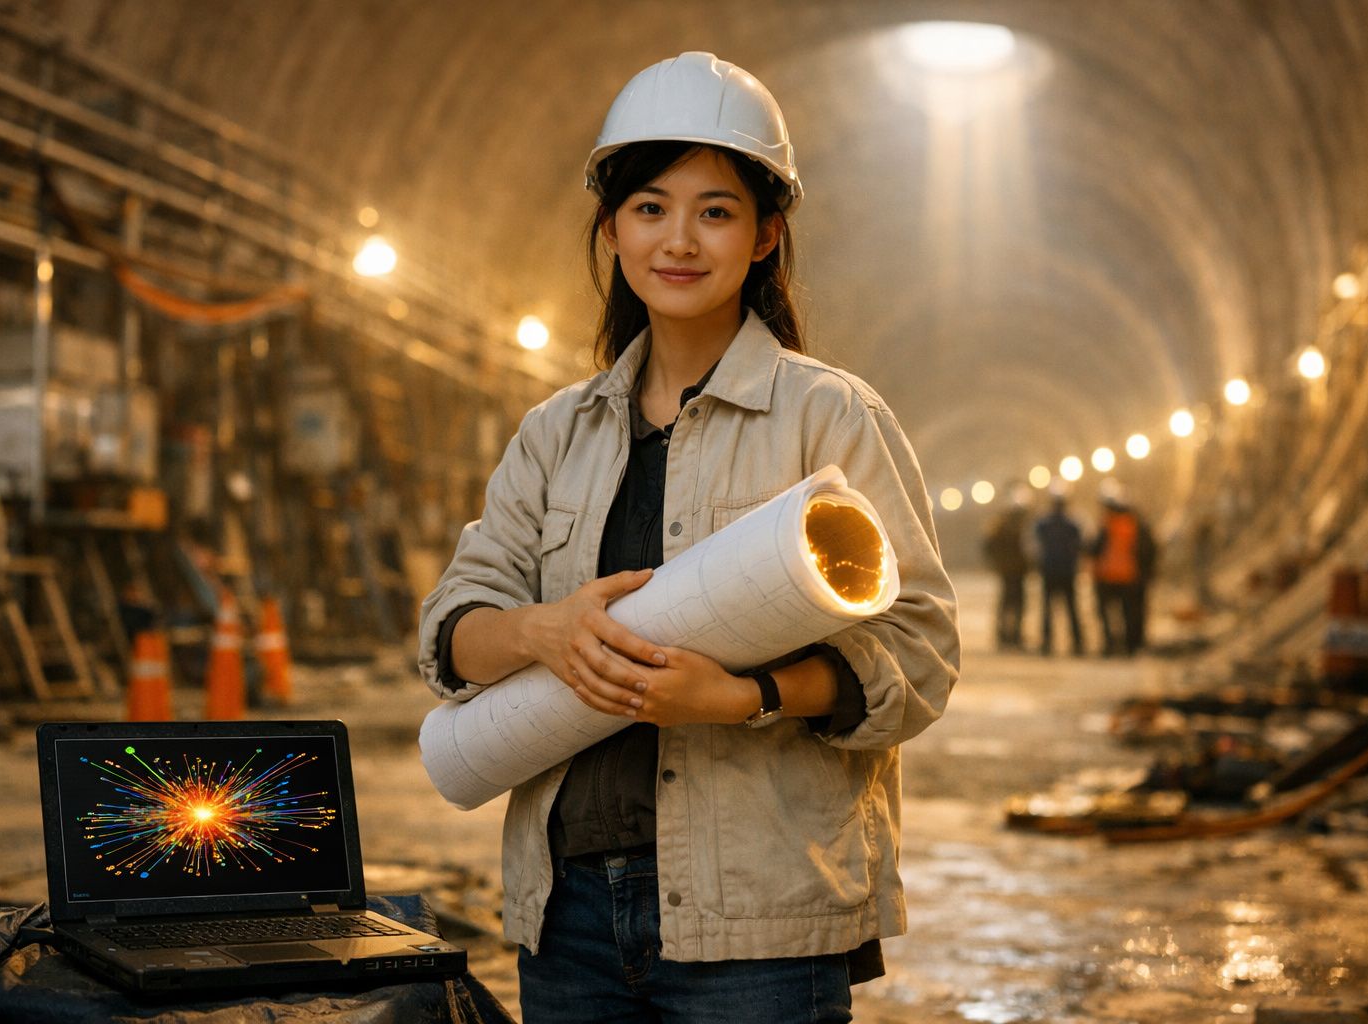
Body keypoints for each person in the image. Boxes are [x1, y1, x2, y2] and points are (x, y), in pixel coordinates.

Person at [416, 51, 960, 1024]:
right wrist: (542, 632)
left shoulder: (828, 417)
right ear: (612, 227)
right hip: (569, 915)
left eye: (715, 210)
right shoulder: (557, 432)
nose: (679, 239)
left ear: (765, 235)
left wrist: (741, 694)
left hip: (761, 923)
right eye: (651, 207)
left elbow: (917, 652)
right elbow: (452, 629)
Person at [1091, 493, 1156, 656]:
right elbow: (1148, 550)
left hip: (1107, 576)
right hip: (1129, 576)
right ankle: (1130, 647)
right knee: (1129, 613)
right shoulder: (1136, 525)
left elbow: (1095, 548)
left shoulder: (1107, 524)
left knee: (1106, 613)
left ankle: (1110, 644)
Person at [1033, 493, 1085, 655]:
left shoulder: (1043, 524)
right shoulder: (1072, 525)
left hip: (1049, 571)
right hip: (1067, 571)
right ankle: (1078, 643)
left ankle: (1047, 643)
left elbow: (1034, 544)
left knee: (1047, 609)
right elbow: (1081, 545)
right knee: (1071, 608)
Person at [981, 498, 1030, 650]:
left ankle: (1006, 636)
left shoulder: (999, 525)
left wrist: (996, 563)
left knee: (1007, 604)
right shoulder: (1021, 527)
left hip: (1008, 571)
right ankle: (1013, 636)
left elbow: (988, 546)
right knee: (1016, 604)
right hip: (1016, 571)